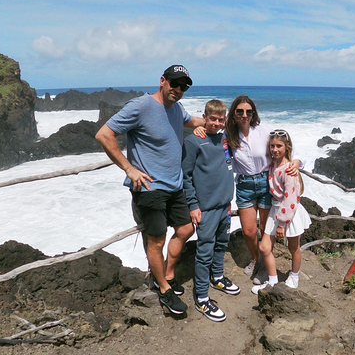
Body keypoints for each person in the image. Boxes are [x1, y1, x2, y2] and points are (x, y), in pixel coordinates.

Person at [95, 64, 205, 316]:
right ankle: (164, 288)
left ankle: (165, 273)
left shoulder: (176, 108)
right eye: (174, 83)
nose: (178, 89)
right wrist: (128, 168)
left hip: (175, 184)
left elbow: (192, 121)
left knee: (186, 227)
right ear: (162, 81)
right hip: (149, 187)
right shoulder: (140, 106)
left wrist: (216, 123)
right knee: (156, 239)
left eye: (184, 86)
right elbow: (104, 134)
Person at [225, 95, 303, 285]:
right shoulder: (228, 134)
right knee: (249, 231)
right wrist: (200, 128)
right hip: (244, 185)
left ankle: (265, 265)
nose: (245, 115)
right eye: (240, 111)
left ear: (253, 114)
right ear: (234, 114)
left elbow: (286, 146)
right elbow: (210, 126)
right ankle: (256, 258)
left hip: (265, 181)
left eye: (249, 112)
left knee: (264, 229)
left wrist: (297, 161)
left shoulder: (263, 131)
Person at [181, 99, 240, 322]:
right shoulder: (194, 141)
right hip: (205, 208)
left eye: (220, 119)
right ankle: (202, 298)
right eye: (212, 119)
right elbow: (185, 177)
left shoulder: (226, 138)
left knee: (221, 244)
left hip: (224, 205)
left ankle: (217, 277)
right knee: (204, 252)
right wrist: (193, 206)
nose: (216, 123)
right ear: (204, 118)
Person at [251, 129, 311, 294]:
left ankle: (294, 275)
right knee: (265, 248)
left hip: (288, 213)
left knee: (294, 247)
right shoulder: (274, 163)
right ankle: (272, 281)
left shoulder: (288, 170)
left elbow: (290, 199)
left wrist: (282, 224)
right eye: (272, 146)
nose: (275, 149)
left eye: (279, 146)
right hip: (276, 210)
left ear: (287, 147)